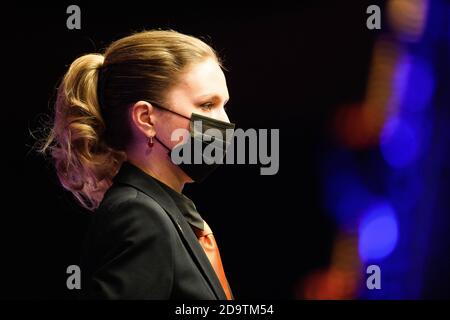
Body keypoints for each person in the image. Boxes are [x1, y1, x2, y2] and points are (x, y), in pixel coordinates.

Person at [41, 30, 235, 299]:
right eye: (206, 105)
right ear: (146, 118)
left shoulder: (165, 210)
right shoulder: (139, 215)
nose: (224, 123)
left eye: (224, 105)